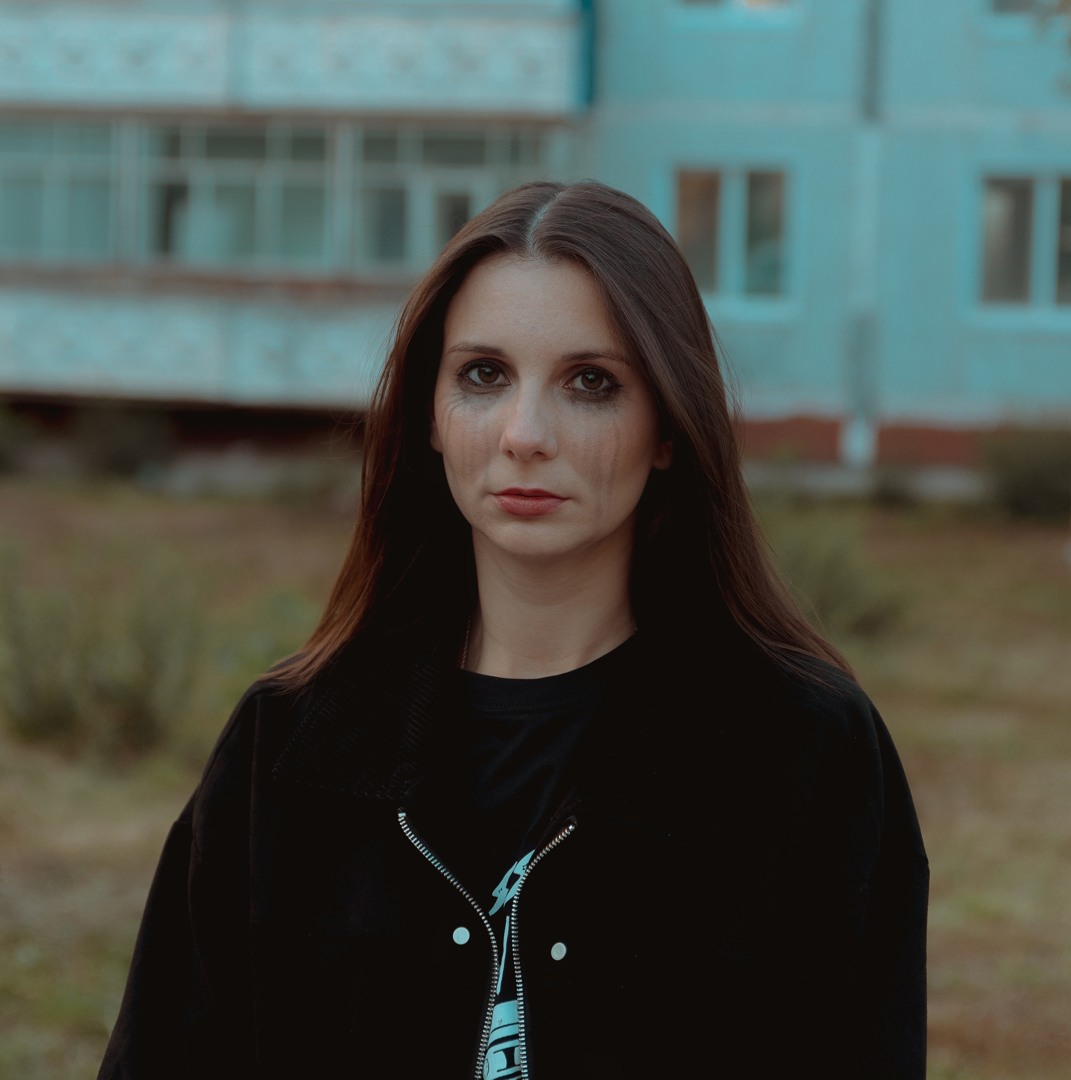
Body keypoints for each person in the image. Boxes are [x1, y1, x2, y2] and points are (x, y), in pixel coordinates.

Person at [98, 180, 928, 1080]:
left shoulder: (802, 751)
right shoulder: (290, 748)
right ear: (429, 415)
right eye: (484, 376)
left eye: (592, 383)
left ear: (669, 428)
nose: (525, 434)